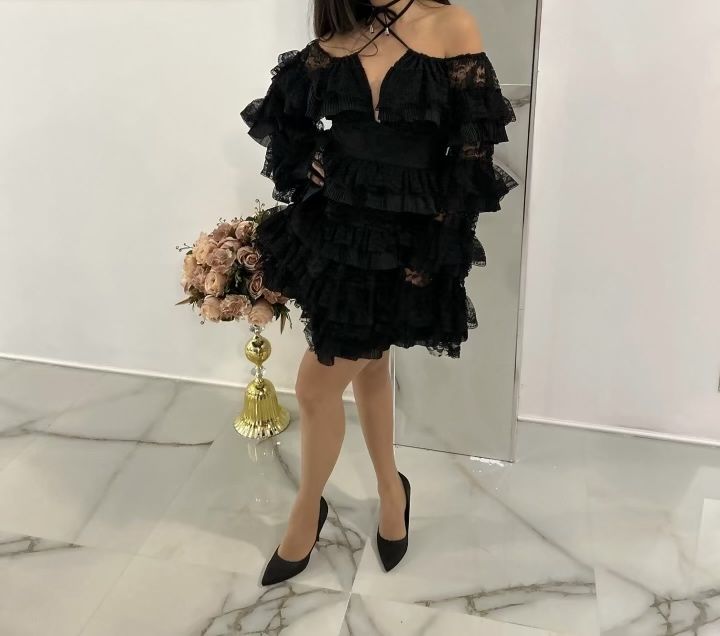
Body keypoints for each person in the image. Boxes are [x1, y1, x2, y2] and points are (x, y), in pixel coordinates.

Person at [240, 0, 517, 586]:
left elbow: (472, 154)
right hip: (337, 229)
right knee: (365, 368)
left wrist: (440, 246)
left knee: (316, 385)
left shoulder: (451, 25)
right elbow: (283, 114)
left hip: (406, 238)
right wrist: (310, 160)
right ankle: (391, 491)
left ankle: (311, 510)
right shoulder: (342, 32)